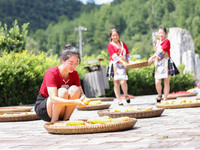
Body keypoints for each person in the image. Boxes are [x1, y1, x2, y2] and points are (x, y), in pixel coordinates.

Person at [35, 44, 87, 122]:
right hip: (45, 108)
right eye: (71, 63)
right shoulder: (52, 72)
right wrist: (73, 102)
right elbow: (53, 98)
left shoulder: (74, 74)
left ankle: (65, 119)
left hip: (62, 108)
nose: (74, 66)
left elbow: (81, 93)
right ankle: (54, 121)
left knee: (75, 89)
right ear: (63, 60)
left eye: (76, 63)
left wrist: (83, 98)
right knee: (62, 91)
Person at [148, 27, 179, 102]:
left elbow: (161, 52)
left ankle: (165, 98)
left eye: (162, 33)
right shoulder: (156, 42)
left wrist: (151, 58)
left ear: (165, 34)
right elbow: (156, 53)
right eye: (159, 33)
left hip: (166, 62)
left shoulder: (167, 41)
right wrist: (153, 59)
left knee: (166, 81)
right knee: (157, 81)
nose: (161, 34)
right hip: (158, 63)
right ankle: (159, 94)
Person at [107, 29, 132, 105]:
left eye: (116, 35)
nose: (115, 37)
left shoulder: (123, 44)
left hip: (123, 65)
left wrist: (129, 61)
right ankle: (119, 99)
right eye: (113, 35)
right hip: (115, 65)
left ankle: (125, 94)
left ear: (118, 35)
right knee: (116, 83)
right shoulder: (110, 45)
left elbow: (127, 54)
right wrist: (123, 62)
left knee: (123, 81)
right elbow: (114, 56)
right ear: (111, 37)